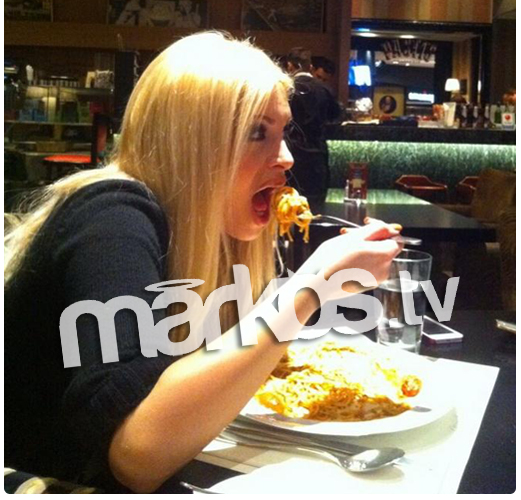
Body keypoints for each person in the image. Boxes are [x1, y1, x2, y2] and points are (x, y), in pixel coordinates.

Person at [4, 32, 401, 493]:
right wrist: (311, 287)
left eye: (283, 133)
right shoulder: (112, 217)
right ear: (190, 143)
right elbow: (136, 457)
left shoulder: (211, 230)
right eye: (257, 132)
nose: (287, 157)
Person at [286, 47, 342, 208]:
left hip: (292, 158)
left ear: (290, 66)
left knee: (287, 207)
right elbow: (336, 116)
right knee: (315, 209)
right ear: (310, 67)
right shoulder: (324, 89)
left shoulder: (285, 88)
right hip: (317, 159)